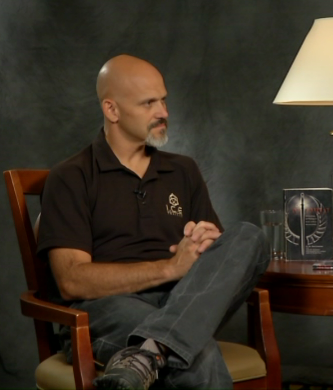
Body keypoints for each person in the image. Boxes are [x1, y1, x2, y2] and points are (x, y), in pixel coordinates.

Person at [37, 54, 270, 390]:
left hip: (184, 300)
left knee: (249, 236)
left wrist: (205, 243)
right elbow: (72, 281)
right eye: (149, 103)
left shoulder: (182, 170)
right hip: (107, 310)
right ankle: (160, 346)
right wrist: (170, 268)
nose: (163, 112)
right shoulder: (71, 177)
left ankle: (149, 352)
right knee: (196, 358)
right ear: (112, 110)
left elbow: (215, 259)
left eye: (163, 100)